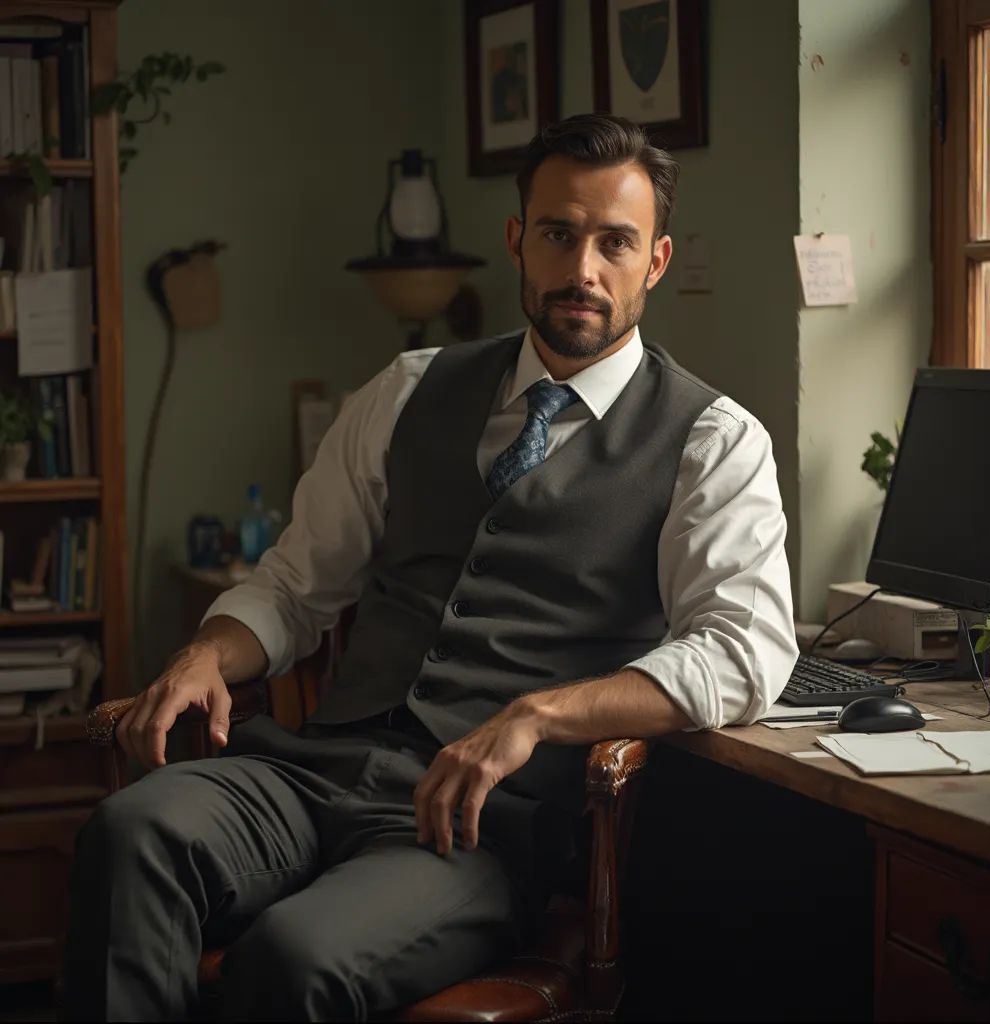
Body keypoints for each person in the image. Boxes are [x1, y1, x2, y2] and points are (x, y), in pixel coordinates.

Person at [62, 113, 798, 1022]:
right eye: (560, 235)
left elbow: (745, 650)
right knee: (129, 833)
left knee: (297, 961)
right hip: (312, 768)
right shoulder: (408, 389)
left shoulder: (713, 442)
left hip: (477, 828)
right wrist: (210, 651)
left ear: (655, 261)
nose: (582, 272)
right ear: (517, 241)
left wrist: (538, 713)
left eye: (615, 243)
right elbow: (294, 585)